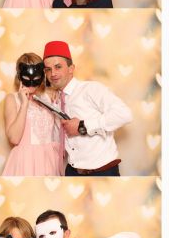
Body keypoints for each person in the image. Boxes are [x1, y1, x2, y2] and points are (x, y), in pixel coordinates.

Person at [43, 41, 132, 176]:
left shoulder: (91, 89)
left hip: (102, 172)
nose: (53, 73)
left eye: (58, 67)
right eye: (48, 69)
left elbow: (124, 114)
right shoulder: (55, 100)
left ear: (71, 68)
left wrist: (82, 126)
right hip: (72, 171)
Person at [3, 53, 63, 176]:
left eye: (36, 77)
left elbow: (59, 131)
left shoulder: (48, 97)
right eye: (26, 76)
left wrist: (54, 95)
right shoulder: (12, 99)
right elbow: (14, 138)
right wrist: (24, 104)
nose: (31, 82)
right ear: (19, 75)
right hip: (26, 162)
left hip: (49, 160)